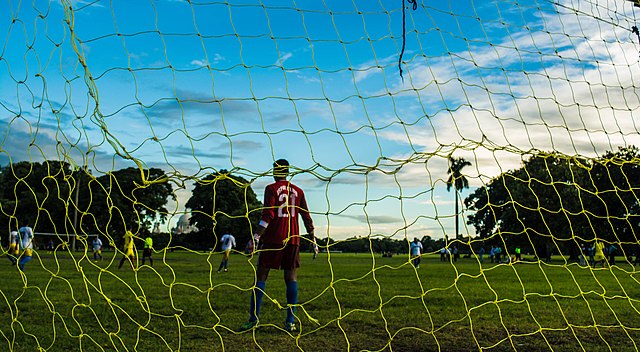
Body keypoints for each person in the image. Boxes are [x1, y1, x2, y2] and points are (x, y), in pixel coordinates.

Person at [239, 159, 314, 333]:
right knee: (291, 278)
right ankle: (290, 321)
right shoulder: (299, 191)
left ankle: (253, 319)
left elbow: (268, 215)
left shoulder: (271, 188)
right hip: (293, 239)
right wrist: (312, 238)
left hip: (273, 240)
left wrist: (256, 237)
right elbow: (306, 216)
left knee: (261, 276)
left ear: (274, 170)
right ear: (287, 171)